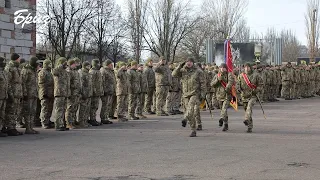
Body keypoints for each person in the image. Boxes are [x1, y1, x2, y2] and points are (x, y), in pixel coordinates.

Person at [172, 57, 206, 137]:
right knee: (190, 112)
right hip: (185, 94)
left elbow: (203, 84)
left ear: (193, 63)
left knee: (191, 108)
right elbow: (173, 74)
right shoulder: (183, 71)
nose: (189, 63)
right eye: (187, 62)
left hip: (195, 93)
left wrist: (203, 94)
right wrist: (179, 66)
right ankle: (193, 129)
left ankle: (185, 118)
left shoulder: (198, 71)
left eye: (190, 62)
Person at [237, 63, 263, 133]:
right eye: (245, 67)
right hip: (244, 96)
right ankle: (250, 126)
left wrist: (256, 90)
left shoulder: (256, 75)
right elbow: (237, 84)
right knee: (247, 111)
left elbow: (261, 85)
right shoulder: (241, 76)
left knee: (249, 107)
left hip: (253, 95)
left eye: (248, 67)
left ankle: (246, 119)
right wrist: (238, 89)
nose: (247, 68)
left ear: (251, 68)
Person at [4, 53, 24, 136]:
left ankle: (13, 127)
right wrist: (10, 94)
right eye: (19, 59)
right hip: (13, 93)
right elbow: (8, 82)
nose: (20, 60)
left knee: (15, 111)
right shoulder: (10, 68)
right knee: (10, 111)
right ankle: (10, 128)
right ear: (16, 59)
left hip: (17, 93)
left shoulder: (17, 68)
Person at [211, 63, 234, 132]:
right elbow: (212, 84)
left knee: (224, 109)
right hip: (219, 96)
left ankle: (221, 119)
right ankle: (226, 124)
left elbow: (231, 82)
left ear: (226, 68)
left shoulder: (229, 75)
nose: (222, 69)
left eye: (223, 68)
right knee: (223, 111)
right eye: (221, 68)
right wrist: (218, 80)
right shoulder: (217, 75)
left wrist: (227, 87)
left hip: (227, 95)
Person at [21, 56, 40, 134]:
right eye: (36, 63)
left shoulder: (34, 71)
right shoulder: (26, 70)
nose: (38, 65)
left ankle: (31, 127)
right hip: (28, 94)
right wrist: (25, 93)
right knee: (27, 111)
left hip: (34, 94)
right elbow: (23, 82)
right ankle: (28, 128)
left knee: (33, 111)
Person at [52, 57, 70, 131]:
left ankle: (62, 124)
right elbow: (54, 72)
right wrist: (60, 65)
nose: (66, 64)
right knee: (59, 109)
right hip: (59, 93)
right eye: (64, 63)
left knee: (63, 109)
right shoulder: (58, 70)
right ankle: (58, 125)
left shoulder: (65, 71)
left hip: (64, 93)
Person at [38, 59, 55, 129]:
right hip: (45, 93)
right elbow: (41, 84)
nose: (50, 66)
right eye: (49, 64)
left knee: (49, 108)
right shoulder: (42, 72)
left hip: (50, 93)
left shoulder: (49, 72)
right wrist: (44, 93)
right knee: (45, 108)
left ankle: (48, 120)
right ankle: (44, 122)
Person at [65, 59, 82, 129]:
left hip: (76, 93)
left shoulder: (75, 71)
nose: (76, 65)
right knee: (70, 108)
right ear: (71, 64)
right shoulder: (68, 72)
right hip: (72, 93)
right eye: (74, 64)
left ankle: (73, 121)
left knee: (74, 108)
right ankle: (68, 123)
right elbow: (68, 83)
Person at [100, 60, 115, 124]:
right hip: (106, 91)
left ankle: (106, 117)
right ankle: (103, 118)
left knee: (108, 105)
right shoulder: (103, 71)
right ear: (108, 64)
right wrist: (104, 90)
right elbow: (102, 82)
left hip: (110, 90)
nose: (112, 66)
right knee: (105, 105)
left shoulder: (110, 71)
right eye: (111, 64)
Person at [78, 61, 93, 128]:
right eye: (88, 66)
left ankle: (85, 121)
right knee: (83, 108)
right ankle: (81, 122)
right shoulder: (82, 73)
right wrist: (83, 93)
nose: (89, 67)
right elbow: (81, 85)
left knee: (87, 108)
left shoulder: (88, 73)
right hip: (84, 94)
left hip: (89, 93)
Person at [89, 59, 103, 126]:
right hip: (94, 92)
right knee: (93, 106)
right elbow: (92, 83)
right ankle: (92, 119)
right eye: (98, 63)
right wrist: (94, 91)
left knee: (96, 106)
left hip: (98, 91)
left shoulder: (98, 71)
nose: (99, 64)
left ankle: (94, 118)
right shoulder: (92, 72)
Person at [0, 57, 8, 137]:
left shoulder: (3, 72)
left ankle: (1, 128)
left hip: (3, 96)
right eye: (2, 62)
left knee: (2, 114)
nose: (3, 63)